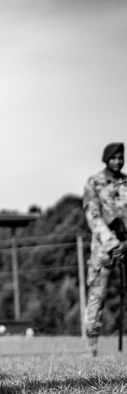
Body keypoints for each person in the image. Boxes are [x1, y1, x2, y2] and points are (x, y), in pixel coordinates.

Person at [82, 142, 127, 356]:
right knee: (97, 296)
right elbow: (93, 216)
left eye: (121, 157)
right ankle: (91, 347)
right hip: (104, 249)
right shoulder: (94, 183)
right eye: (114, 157)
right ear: (106, 159)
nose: (118, 161)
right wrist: (112, 242)